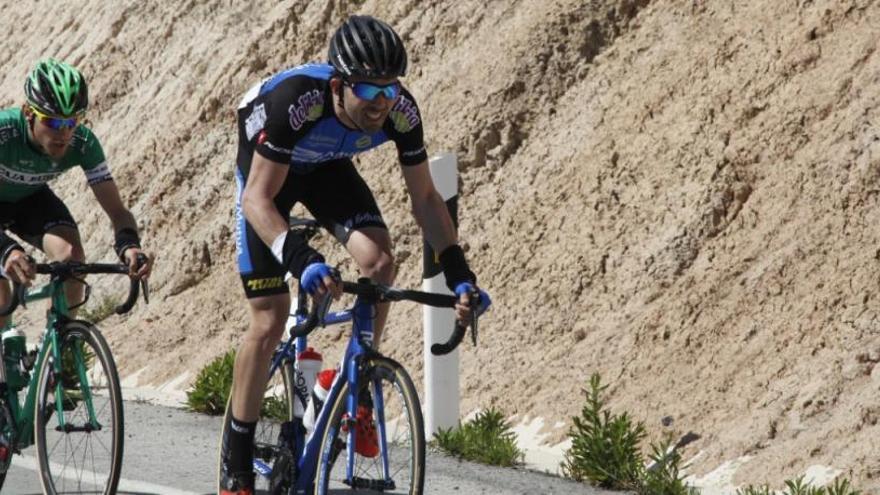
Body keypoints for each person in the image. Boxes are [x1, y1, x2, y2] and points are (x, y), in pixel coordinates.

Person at [220, 15, 491, 494]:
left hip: (325, 167)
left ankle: (352, 388)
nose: (382, 102)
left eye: (389, 89)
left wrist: (458, 271)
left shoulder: (401, 110)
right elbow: (256, 201)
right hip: (268, 173)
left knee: (381, 264)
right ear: (340, 85)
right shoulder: (297, 102)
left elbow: (426, 199)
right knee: (269, 317)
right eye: (369, 91)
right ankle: (236, 462)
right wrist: (301, 260)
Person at [0, 58, 152, 324]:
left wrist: (129, 245)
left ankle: (59, 346)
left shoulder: (83, 143)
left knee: (72, 259)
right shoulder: (5, 132)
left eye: (73, 121)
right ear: (28, 112)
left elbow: (117, 211)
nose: (65, 132)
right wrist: (6, 250)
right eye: (54, 122)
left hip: (29, 200)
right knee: (2, 300)